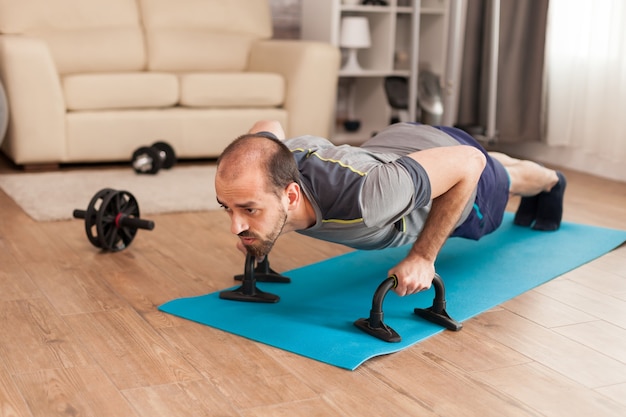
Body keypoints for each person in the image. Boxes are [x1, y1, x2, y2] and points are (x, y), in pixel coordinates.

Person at [215, 120, 566, 296]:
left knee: (501, 175)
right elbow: (267, 129)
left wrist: (424, 257)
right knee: (492, 163)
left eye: (248, 209)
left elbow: (468, 161)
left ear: (290, 196)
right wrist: (258, 223)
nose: (236, 225)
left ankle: (552, 180)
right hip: (399, 150)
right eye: (228, 209)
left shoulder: (367, 198)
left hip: (450, 169)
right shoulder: (274, 161)